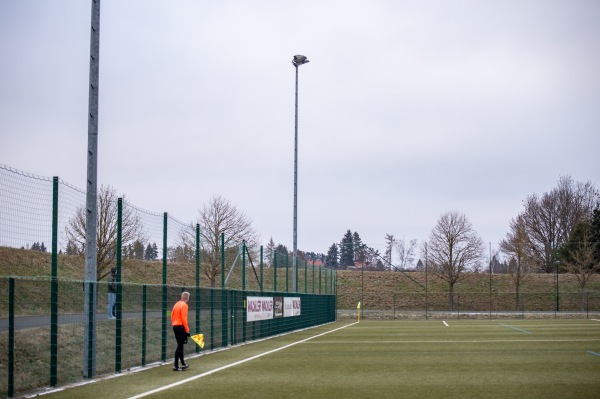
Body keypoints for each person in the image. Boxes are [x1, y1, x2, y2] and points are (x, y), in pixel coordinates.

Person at [171, 291, 190, 371]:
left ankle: (183, 363)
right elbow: (184, 318)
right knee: (180, 346)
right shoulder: (184, 305)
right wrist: (187, 330)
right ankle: (175, 365)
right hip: (181, 327)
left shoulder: (176, 304)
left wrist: (174, 324)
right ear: (187, 298)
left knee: (180, 345)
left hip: (175, 326)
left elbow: (172, 315)